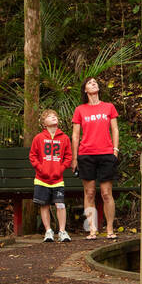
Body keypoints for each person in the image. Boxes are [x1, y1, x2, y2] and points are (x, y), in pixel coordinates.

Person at [71, 77, 119, 240]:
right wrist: (75, 158)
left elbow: (115, 129)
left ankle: (110, 229)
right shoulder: (80, 110)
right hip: (86, 154)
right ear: (85, 89)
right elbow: (75, 135)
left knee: (106, 193)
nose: (94, 83)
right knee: (90, 193)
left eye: (95, 82)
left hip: (106, 153)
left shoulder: (109, 107)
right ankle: (92, 229)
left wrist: (115, 150)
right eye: (90, 83)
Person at [29, 108, 73, 242]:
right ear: (44, 123)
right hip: (42, 179)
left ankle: (62, 231)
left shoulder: (64, 138)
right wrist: (40, 168)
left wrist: (61, 168)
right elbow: (33, 155)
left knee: (60, 204)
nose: (54, 117)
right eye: (49, 116)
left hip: (57, 179)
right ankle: (48, 231)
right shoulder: (39, 138)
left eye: (55, 115)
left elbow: (68, 156)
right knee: (44, 205)